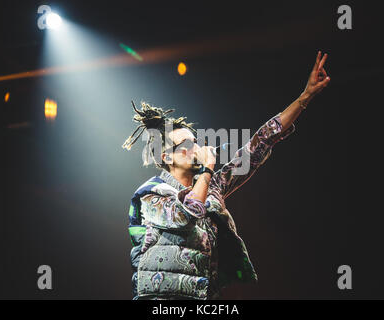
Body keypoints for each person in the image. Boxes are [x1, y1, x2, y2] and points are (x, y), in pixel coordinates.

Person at [122, 52, 330, 300]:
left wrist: (304, 97)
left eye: (195, 141)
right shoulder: (151, 193)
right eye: (186, 144)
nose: (195, 147)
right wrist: (209, 169)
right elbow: (186, 213)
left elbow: (258, 145)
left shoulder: (211, 187)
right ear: (167, 157)